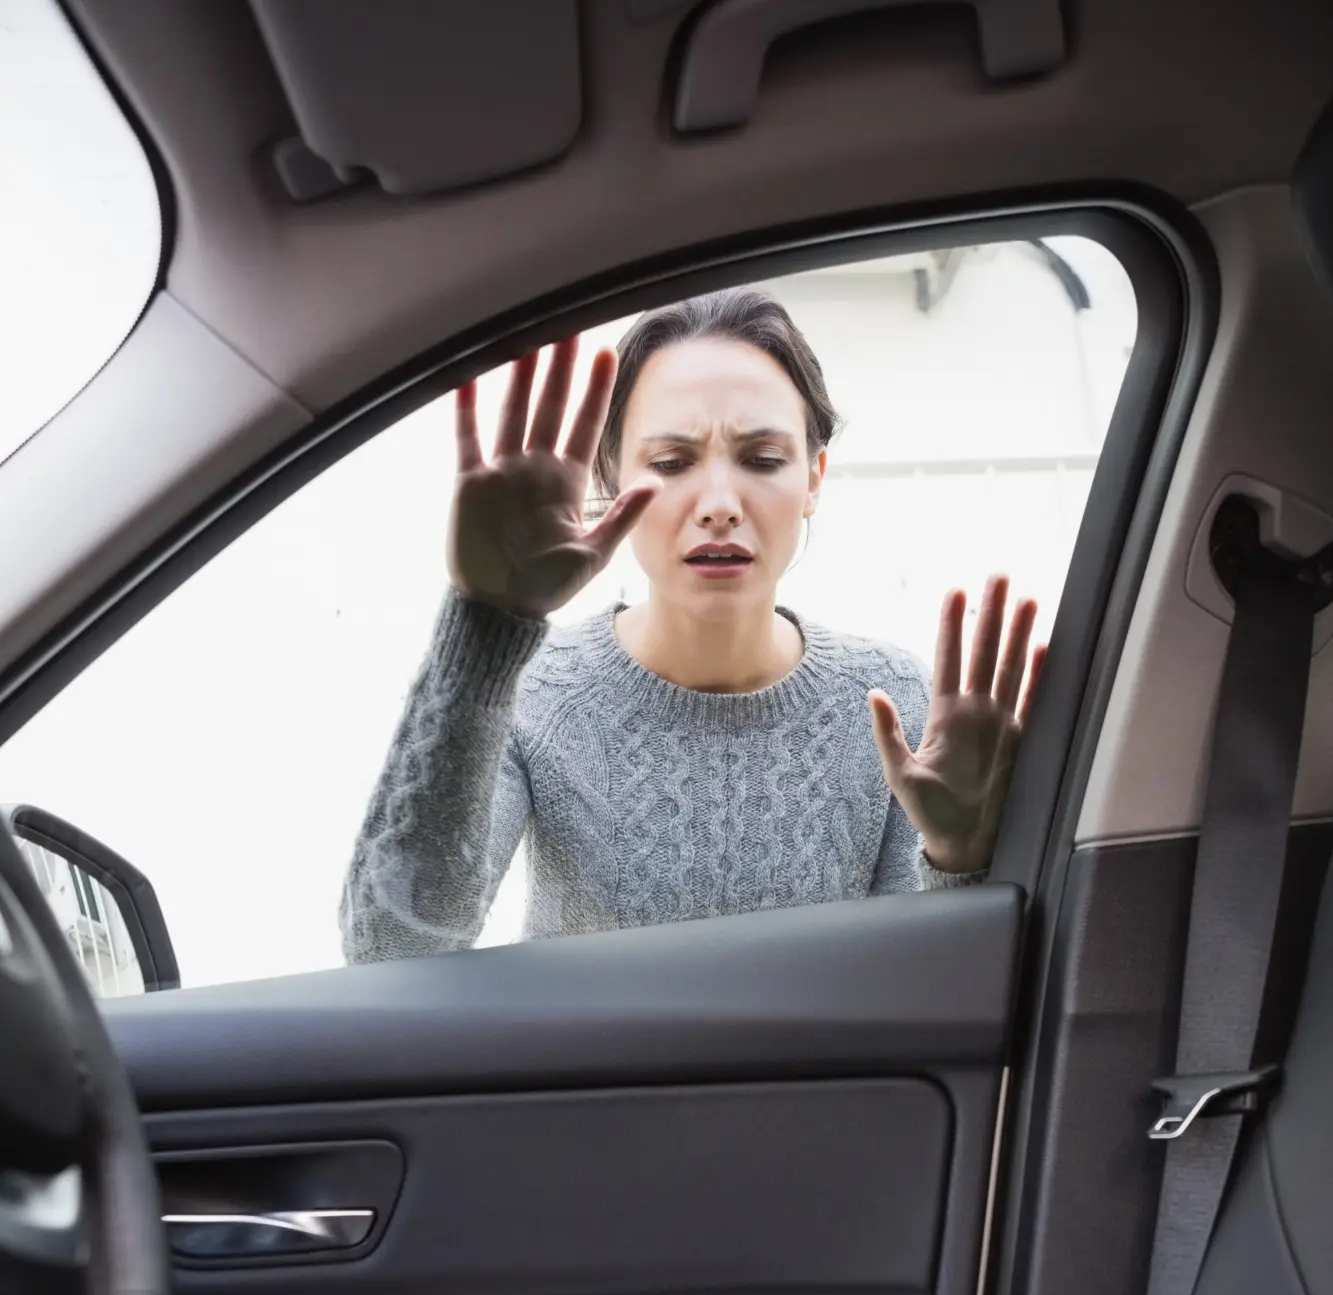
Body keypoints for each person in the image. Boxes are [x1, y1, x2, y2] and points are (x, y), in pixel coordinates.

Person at [340, 289, 1044, 961]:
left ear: (813, 478)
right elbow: (392, 950)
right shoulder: (538, 694)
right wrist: (483, 622)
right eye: (671, 463)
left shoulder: (889, 700)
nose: (718, 504)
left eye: (763, 460)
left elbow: (923, 994)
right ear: (609, 477)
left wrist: (961, 860)